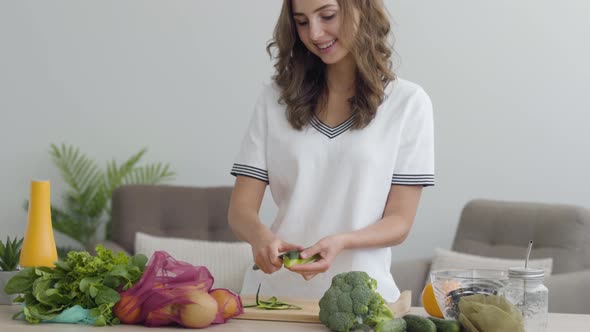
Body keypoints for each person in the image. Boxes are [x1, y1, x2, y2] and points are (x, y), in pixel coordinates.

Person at [228, 0, 434, 302]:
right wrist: (261, 237)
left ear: (361, 9)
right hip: (273, 299)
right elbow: (240, 211)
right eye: (301, 21)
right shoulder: (274, 99)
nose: (314, 33)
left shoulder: (408, 103)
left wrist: (342, 241)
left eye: (327, 16)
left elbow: (399, 222)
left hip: (363, 302)